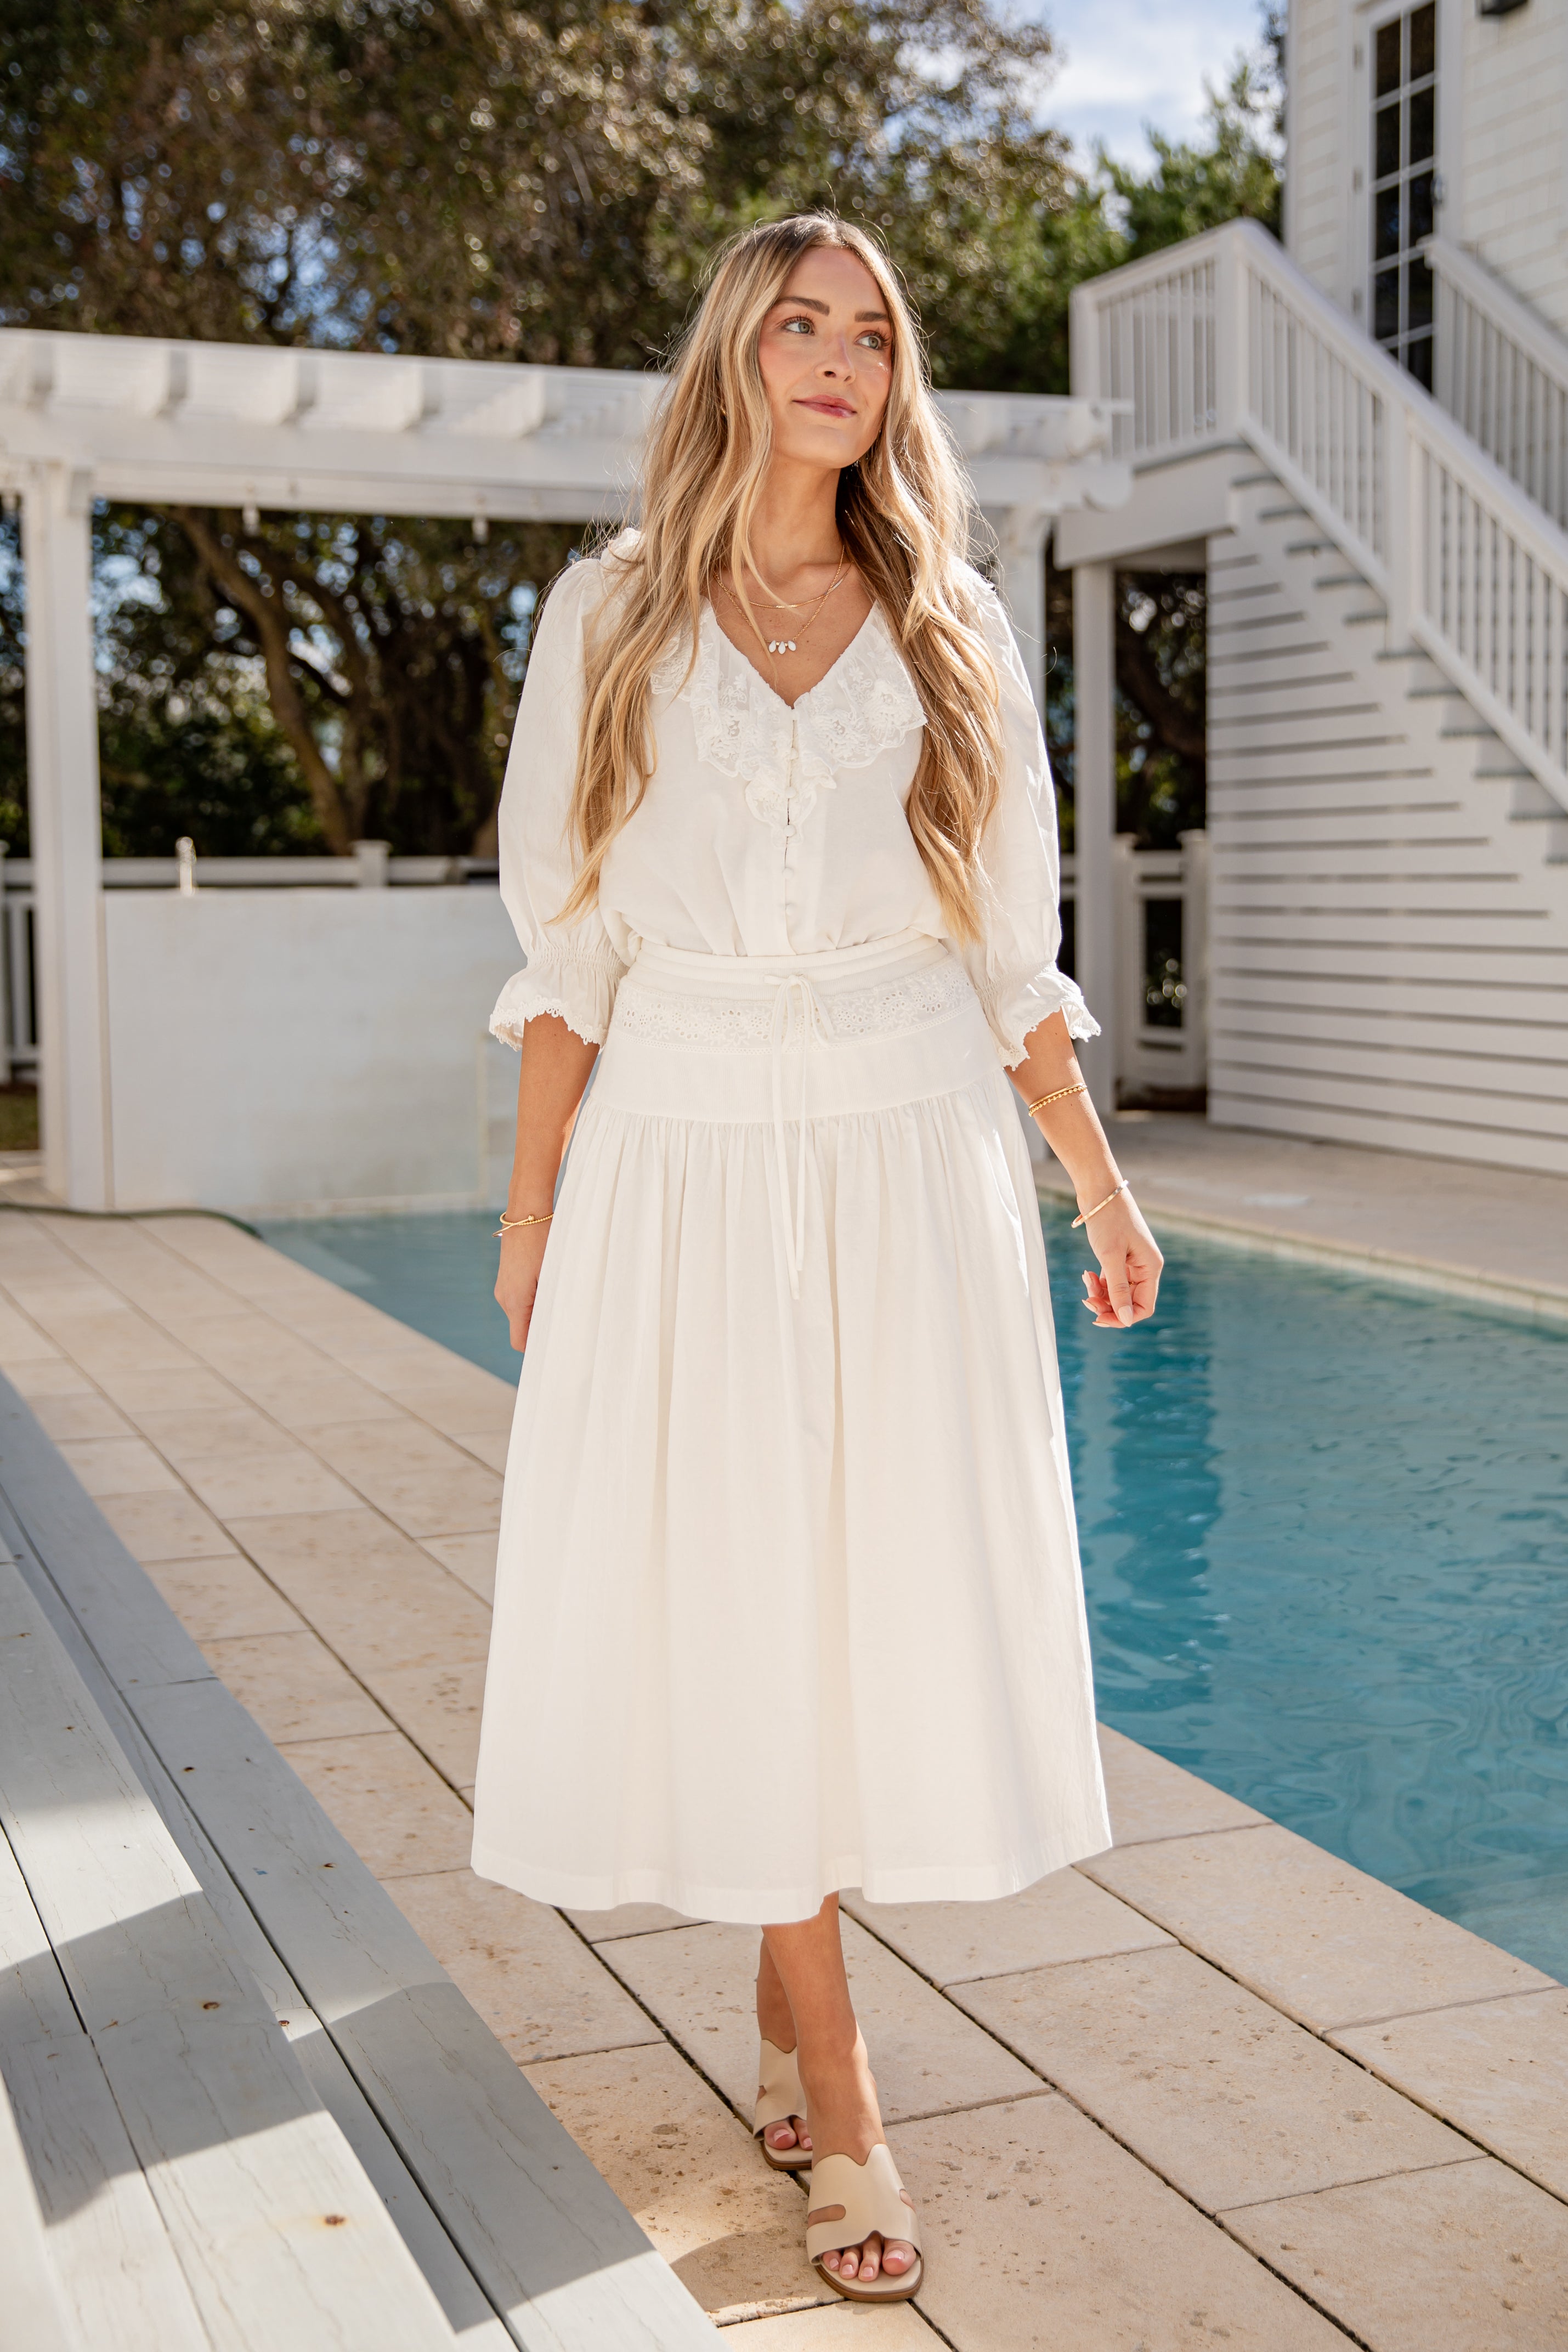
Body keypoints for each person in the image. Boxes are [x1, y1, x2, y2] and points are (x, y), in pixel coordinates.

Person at [470, 213, 1163, 2305]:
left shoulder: (948, 623)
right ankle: (838, 2081)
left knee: (859, 1593)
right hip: (681, 1155)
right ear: (736, 356)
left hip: (905, 1156)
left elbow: (1005, 953)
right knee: (741, 1592)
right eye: (802, 323)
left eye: (873, 331)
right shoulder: (609, 615)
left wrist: (1098, 1185)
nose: (841, 358)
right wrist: (532, 1207)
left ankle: (791, 1991)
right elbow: (568, 944)